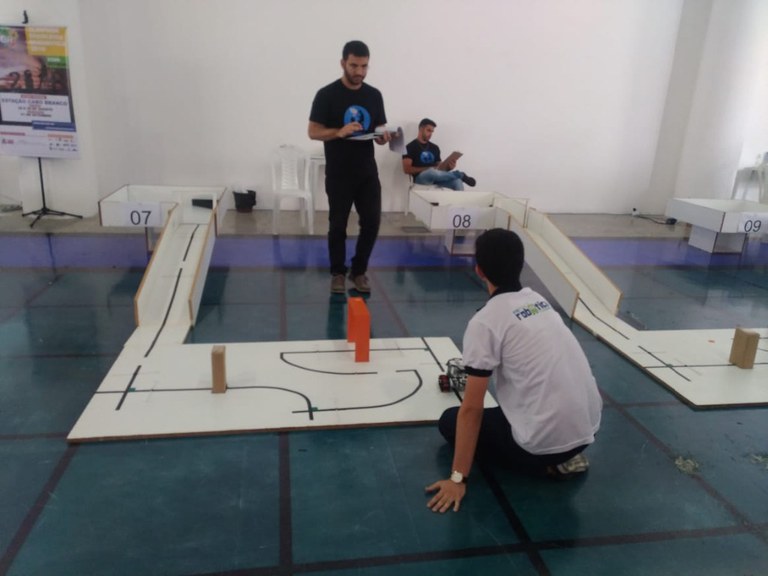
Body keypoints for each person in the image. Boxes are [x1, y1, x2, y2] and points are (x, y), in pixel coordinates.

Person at [426, 228, 602, 513]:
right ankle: (564, 455)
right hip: (586, 430)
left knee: (450, 421)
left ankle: (547, 464)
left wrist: (457, 478)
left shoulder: (485, 321)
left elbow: (471, 409)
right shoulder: (539, 301)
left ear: (479, 270)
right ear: (521, 264)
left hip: (543, 444)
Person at [308, 40, 392, 294]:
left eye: (364, 66)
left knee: (372, 222)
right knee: (337, 225)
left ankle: (359, 271)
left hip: (367, 172)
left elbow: (378, 129)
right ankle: (337, 273)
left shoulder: (374, 95)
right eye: (354, 65)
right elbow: (313, 132)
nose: (359, 72)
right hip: (339, 173)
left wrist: (383, 137)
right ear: (343, 63)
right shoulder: (326, 94)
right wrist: (339, 132)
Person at [402, 118, 476, 191]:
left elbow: (440, 169)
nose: (430, 134)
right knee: (431, 172)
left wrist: (449, 167)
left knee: (457, 181)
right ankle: (460, 174)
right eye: (428, 130)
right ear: (421, 129)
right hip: (420, 179)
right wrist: (429, 168)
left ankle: (460, 197)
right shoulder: (409, 147)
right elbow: (407, 169)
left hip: (436, 178)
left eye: (432, 132)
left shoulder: (435, 147)